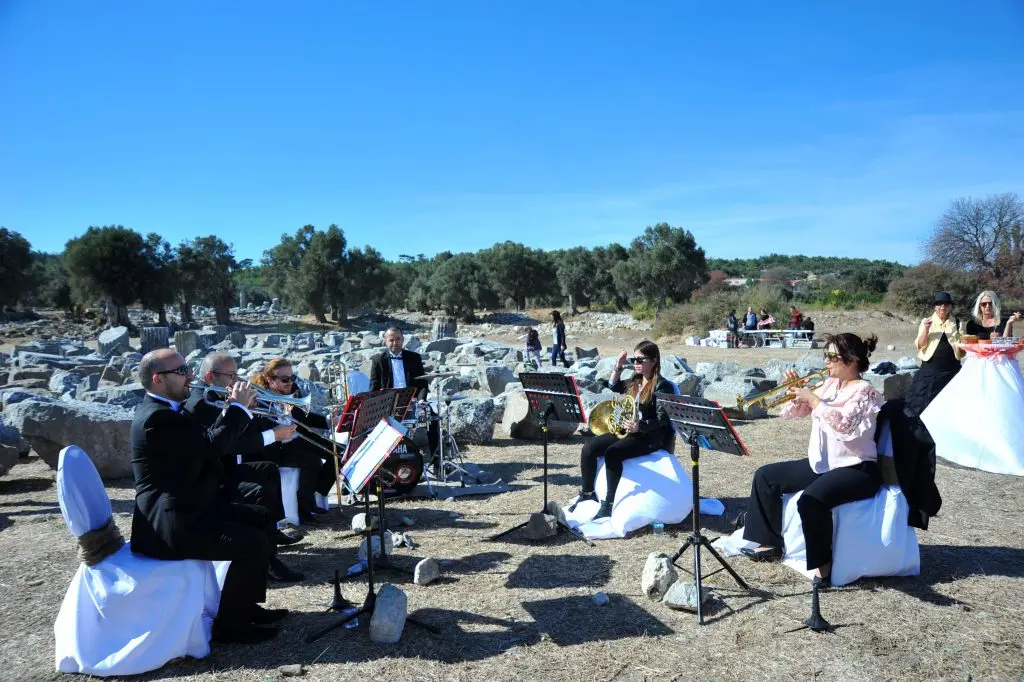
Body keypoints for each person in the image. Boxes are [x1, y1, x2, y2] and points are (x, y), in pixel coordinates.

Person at [130, 349, 284, 644]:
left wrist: (233, 411)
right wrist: (237, 409)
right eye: (181, 371)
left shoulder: (173, 410)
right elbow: (212, 445)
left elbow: (212, 442)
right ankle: (231, 627)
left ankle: (246, 606)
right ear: (157, 379)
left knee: (262, 518)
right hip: (173, 524)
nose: (189, 376)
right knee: (251, 544)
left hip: (196, 506)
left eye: (187, 369)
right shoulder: (155, 419)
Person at [740, 333, 885, 586]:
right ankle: (769, 542)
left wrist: (814, 400)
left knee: (811, 500)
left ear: (851, 360)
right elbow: (795, 412)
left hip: (856, 467)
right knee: (765, 476)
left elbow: (845, 426)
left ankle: (823, 567)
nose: (826, 362)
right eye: (825, 356)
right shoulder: (829, 385)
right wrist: (796, 391)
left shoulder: (866, 392)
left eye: (831, 357)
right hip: (823, 464)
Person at [184, 353, 305, 582]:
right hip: (215, 477)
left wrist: (247, 409)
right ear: (210, 376)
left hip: (225, 468)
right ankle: (269, 560)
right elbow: (232, 444)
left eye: (237, 374)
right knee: (259, 491)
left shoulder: (217, 394)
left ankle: (273, 529)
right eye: (231, 375)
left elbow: (241, 432)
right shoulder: (202, 402)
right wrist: (271, 433)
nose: (237, 380)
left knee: (267, 469)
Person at [568, 340, 675, 520]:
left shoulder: (663, 386)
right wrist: (618, 366)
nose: (636, 363)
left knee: (613, 453)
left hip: (650, 437)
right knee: (589, 448)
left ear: (654, 360)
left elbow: (663, 420)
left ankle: (608, 504)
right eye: (634, 359)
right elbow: (613, 386)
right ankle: (587, 494)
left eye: (640, 360)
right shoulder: (636, 380)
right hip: (629, 430)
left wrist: (641, 425)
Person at [252, 358, 338, 525]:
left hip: (297, 438)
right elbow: (259, 431)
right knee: (311, 461)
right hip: (277, 447)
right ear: (270, 380)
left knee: (339, 453)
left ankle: (317, 493)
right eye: (284, 379)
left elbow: (303, 417)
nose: (289, 382)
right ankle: (304, 509)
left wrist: (328, 421)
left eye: (292, 377)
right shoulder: (259, 400)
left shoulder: (292, 390)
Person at [369, 327, 438, 455]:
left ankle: (436, 459)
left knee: (433, 419)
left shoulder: (414, 358)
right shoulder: (378, 360)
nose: (395, 343)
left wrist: (422, 399)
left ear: (403, 340)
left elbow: (422, 383)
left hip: (412, 402)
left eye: (398, 339)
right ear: (385, 341)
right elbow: (374, 386)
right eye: (391, 340)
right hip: (388, 404)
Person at [905, 292, 963, 422]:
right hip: (930, 369)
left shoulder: (958, 323)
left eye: (946, 304)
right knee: (924, 401)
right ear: (935, 307)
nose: (943, 306)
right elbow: (920, 345)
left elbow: (962, 347)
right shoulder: (926, 322)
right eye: (939, 304)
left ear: (950, 306)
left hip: (951, 369)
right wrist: (926, 330)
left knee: (951, 401)